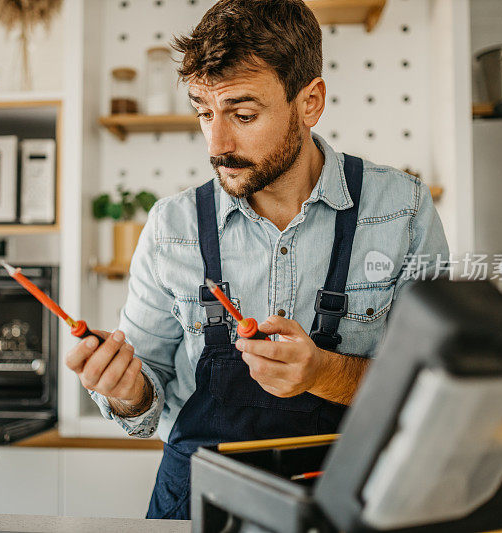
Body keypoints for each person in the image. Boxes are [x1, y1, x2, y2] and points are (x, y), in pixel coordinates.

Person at [65, 0, 448, 520]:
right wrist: (126, 391)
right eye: (204, 112)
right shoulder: (171, 229)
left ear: (310, 102)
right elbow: (144, 398)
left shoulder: (400, 209)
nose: (218, 144)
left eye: (244, 114)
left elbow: (433, 389)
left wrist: (322, 373)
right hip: (201, 503)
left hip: (345, 503)